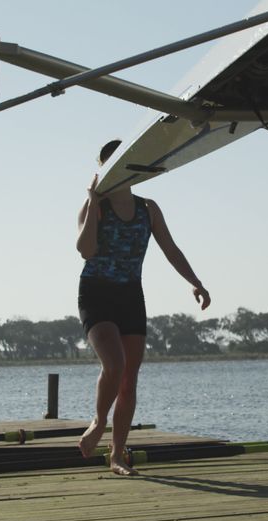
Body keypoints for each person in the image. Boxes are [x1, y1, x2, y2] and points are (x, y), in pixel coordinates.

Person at [75, 139, 210, 476]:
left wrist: (194, 281)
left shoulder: (148, 208)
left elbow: (171, 249)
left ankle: (117, 454)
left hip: (130, 295)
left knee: (129, 379)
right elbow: (86, 250)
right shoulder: (96, 207)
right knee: (115, 364)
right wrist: (93, 203)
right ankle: (98, 420)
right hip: (96, 292)